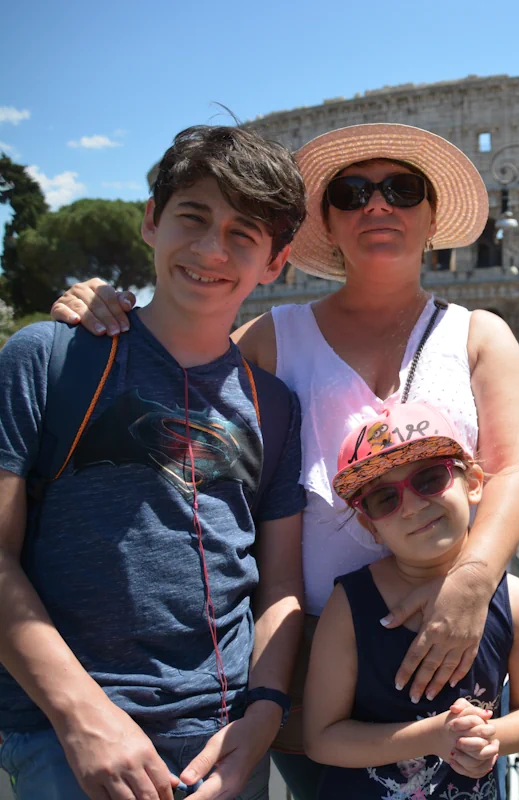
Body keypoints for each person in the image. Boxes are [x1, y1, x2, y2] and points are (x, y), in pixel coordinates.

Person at [50, 122, 519, 798]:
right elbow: (177, 360)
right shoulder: (271, 339)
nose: (378, 206)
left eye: (401, 190)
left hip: (449, 636)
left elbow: (513, 471)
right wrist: (99, 305)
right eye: (352, 192)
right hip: (313, 660)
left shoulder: (482, 337)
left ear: (431, 218)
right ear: (327, 224)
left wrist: (473, 582)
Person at [0, 125, 308, 799]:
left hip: (222, 746)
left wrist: (260, 719)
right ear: (150, 221)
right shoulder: (48, 359)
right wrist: (83, 718)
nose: (209, 250)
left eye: (242, 235)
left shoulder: (277, 405)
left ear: (275, 261)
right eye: (192, 219)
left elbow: (279, 587)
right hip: (67, 736)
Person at [305, 401, 519, 798]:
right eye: (385, 498)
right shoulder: (349, 606)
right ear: (371, 526)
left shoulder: (516, 601)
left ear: (472, 482)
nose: (414, 506)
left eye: (430, 478)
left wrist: (490, 737)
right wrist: (434, 737)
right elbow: (320, 739)